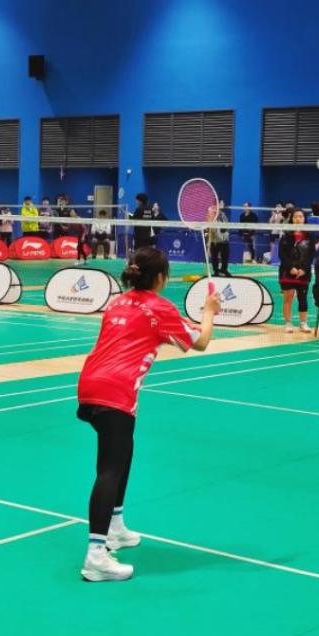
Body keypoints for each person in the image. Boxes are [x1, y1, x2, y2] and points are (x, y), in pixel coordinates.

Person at [77, 247, 219, 581]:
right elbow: (200, 341)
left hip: (89, 383)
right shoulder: (160, 308)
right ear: (160, 278)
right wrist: (209, 311)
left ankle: (115, 527)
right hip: (116, 392)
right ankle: (96, 556)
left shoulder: (117, 302)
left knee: (122, 455)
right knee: (110, 469)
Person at [278, 210, 315, 333]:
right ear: (292, 219)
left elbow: (311, 255)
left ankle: (303, 323)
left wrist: (304, 269)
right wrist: (290, 268)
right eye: (295, 217)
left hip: (303, 273)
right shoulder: (285, 236)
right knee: (288, 298)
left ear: (304, 219)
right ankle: (288, 323)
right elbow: (282, 255)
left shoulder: (310, 237)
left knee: (303, 299)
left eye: (300, 216)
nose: (298, 219)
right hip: (287, 272)